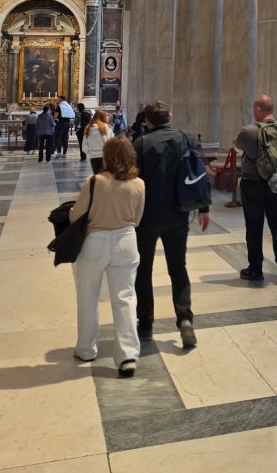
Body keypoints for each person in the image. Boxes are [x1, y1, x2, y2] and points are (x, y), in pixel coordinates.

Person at [133, 101, 209, 347]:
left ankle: (145, 323)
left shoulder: (141, 144)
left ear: (147, 121)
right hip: (179, 214)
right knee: (178, 266)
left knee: (143, 269)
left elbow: (133, 183)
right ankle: (185, 319)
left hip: (147, 217)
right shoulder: (186, 138)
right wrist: (203, 207)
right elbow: (199, 172)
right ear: (170, 116)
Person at [69, 136, 145, 377]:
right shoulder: (139, 184)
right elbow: (138, 219)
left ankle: (86, 348)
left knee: (88, 295)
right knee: (125, 298)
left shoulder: (94, 182)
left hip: (95, 242)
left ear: (106, 156)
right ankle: (128, 356)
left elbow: (76, 216)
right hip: (126, 241)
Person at [234, 95, 277, 283]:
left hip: (252, 182)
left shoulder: (248, 131)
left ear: (259, 109)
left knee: (254, 226)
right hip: (276, 181)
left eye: (254, 109)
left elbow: (237, 149)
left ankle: (255, 269)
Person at [83, 109, 113, 173]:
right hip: (105, 156)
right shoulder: (107, 127)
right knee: (105, 178)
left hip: (93, 157)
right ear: (103, 117)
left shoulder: (88, 128)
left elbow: (84, 145)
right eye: (107, 116)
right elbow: (111, 143)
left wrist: (90, 152)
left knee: (97, 177)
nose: (108, 117)